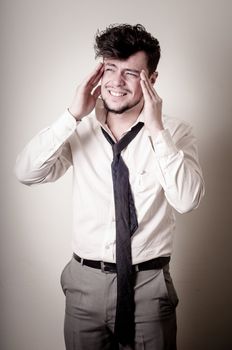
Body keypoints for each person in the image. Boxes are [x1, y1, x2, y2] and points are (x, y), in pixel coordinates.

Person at [15, 24, 205, 350]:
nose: (116, 82)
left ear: (151, 80)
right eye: (110, 68)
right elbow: (27, 172)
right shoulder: (79, 129)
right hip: (85, 284)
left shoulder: (175, 133)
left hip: (148, 284)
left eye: (131, 73)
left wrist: (157, 130)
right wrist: (73, 114)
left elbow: (187, 200)